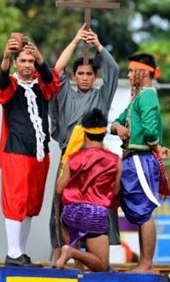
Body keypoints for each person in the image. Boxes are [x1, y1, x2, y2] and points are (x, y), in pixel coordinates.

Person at [49, 23, 120, 261]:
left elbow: (114, 71)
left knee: (99, 209)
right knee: (61, 207)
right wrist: (75, 40)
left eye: (90, 74)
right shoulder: (66, 93)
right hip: (70, 158)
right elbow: (56, 72)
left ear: (95, 77)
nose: (85, 78)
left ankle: (96, 258)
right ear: (74, 76)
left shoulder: (101, 96)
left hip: (97, 162)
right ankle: (58, 258)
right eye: (81, 73)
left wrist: (98, 45)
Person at [0, 33, 60, 267]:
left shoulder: (41, 85)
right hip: (16, 152)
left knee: (30, 205)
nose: (28, 66)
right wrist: (5, 57)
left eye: (31, 61)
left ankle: (19, 252)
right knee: (15, 202)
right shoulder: (10, 84)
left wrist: (41, 59)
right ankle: (12, 253)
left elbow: (52, 83)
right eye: (23, 61)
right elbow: (0, 86)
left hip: (40, 154)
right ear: (16, 63)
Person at [111, 53, 170, 272]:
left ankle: (146, 263)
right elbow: (117, 121)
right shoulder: (138, 97)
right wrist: (118, 128)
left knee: (144, 212)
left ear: (143, 72)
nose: (128, 74)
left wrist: (156, 148)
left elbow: (149, 130)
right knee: (128, 207)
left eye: (130, 70)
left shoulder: (147, 95)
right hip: (131, 159)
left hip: (141, 159)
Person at [54, 108, 121, 271]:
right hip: (95, 216)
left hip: (71, 214)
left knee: (64, 217)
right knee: (101, 264)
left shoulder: (73, 158)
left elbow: (59, 189)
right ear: (104, 132)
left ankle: (75, 259)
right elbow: (116, 192)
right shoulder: (115, 160)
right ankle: (73, 253)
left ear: (84, 132)